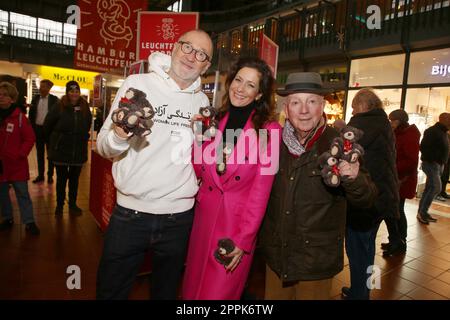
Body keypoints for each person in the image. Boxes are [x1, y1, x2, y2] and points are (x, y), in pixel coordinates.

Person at [95, 29, 213, 300]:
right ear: (173, 48)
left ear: (206, 65)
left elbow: (198, 155)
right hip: (130, 214)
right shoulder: (137, 83)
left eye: (201, 54)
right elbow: (103, 146)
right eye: (187, 47)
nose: (191, 56)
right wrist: (120, 136)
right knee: (110, 291)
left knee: (166, 293)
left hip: (179, 217)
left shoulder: (202, 102)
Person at [259, 73, 376, 300]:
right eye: (295, 102)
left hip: (315, 262)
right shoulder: (271, 143)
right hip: (276, 255)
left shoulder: (339, 144)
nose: (303, 110)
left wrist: (353, 178)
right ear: (286, 108)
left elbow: (368, 197)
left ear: (322, 105)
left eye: (311, 101)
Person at [181, 57, 282, 300]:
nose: (240, 88)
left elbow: (261, 192)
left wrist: (244, 240)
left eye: (250, 85)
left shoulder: (270, 132)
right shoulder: (216, 120)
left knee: (218, 294)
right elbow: (199, 171)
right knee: (192, 290)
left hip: (235, 228)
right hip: (203, 220)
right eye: (238, 80)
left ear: (259, 94)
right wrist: (198, 137)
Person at [342, 88, 399, 299]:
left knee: (357, 250)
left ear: (364, 106)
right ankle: (366, 289)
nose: (352, 109)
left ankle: (359, 293)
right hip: (383, 197)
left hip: (364, 199)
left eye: (354, 105)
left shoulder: (360, 124)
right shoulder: (384, 123)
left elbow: (341, 153)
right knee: (367, 249)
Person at [43, 81, 92, 216]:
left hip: (78, 150)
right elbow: (48, 124)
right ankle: (59, 205)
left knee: (75, 180)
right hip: (61, 151)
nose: (74, 94)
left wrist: (81, 135)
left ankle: (72, 204)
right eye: (71, 91)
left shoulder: (84, 106)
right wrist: (53, 142)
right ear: (67, 92)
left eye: (77, 91)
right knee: (61, 180)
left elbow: (88, 123)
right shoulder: (59, 106)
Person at [0, 82, 40, 235]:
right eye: (0, 94)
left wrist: (20, 155)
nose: (1, 97)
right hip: (1, 165)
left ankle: (29, 222)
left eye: (5, 95)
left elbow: (30, 138)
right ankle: (8, 218)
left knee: (22, 193)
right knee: (2, 194)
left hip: (17, 164)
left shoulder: (20, 118)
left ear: (12, 99)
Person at [384, 109, 420, 254]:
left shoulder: (408, 135)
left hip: (401, 180)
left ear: (399, 121)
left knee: (396, 211)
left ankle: (399, 242)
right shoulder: (400, 133)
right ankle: (396, 240)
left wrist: (392, 168)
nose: (390, 123)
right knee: (395, 210)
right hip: (397, 178)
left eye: (392, 120)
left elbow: (411, 161)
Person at [417, 112, 450, 224]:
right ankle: (422, 212)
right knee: (436, 187)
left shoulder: (443, 132)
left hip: (438, 164)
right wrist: (433, 159)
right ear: (443, 119)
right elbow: (423, 147)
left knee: (430, 188)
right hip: (431, 164)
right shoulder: (433, 131)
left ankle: (423, 212)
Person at [29, 79, 59, 184]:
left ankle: (50, 175)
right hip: (37, 129)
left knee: (50, 154)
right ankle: (40, 175)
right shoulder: (35, 98)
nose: (41, 88)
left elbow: (57, 116)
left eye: (43, 86)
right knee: (39, 154)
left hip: (50, 131)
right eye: (40, 86)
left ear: (49, 88)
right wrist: (31, 128)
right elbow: (31, 114)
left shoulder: (54, 100)